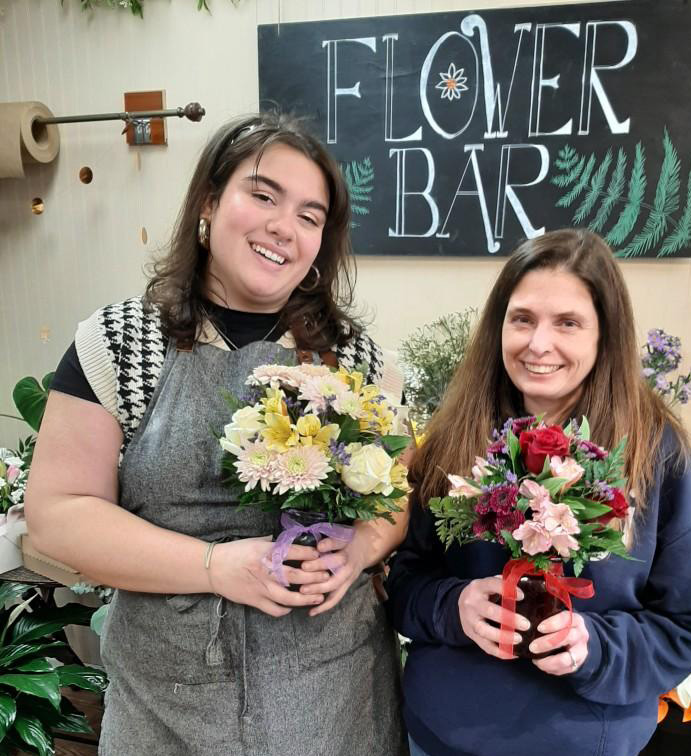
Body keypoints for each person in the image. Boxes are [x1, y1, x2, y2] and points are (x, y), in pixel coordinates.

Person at [25, 112, 408, 756]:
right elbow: (59, 514)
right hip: (164, 704)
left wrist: (359, 550)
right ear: (209, 202)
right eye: (263, 195)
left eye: (310, 216)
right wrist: (215, 566)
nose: (284, 227)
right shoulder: (121, 343)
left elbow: (395, 502)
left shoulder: (358, 362)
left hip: (335, 701)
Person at [385, 229, 691, 756]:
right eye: (522, 319)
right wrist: (455, 605)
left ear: (603, 335)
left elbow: (688, 623)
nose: (538, 344)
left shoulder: (657, 455)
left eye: (568, 323)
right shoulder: (455, 437)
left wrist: (596, 648)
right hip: (442, 736)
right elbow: (405, 580)